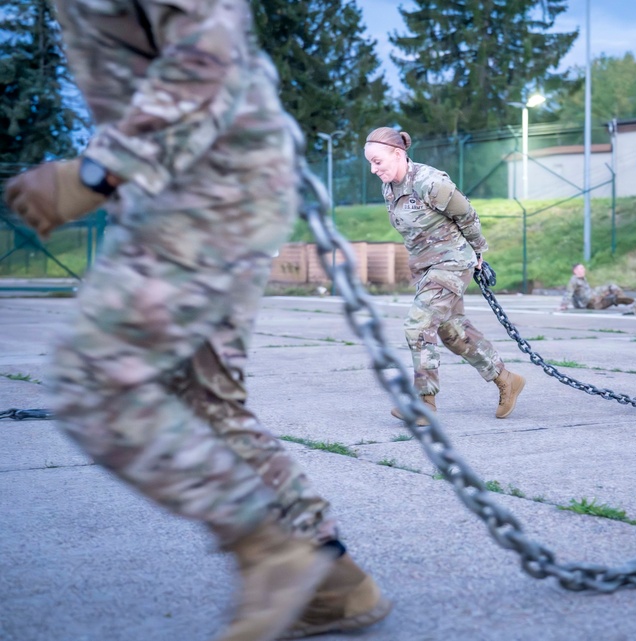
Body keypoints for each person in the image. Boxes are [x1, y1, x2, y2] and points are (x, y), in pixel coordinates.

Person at [3, 2, 390, 640]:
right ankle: (331, 580)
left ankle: (267, 547)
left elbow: (206, 49)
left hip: (211, 186)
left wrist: (96, 172)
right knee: (206, 400)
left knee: (93, 380)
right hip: (185, 183)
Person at [364, 127, 525, 424]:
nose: (374, 169)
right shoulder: (390, 187)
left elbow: (467, 214)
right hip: (426, 266)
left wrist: (478, 253)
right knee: (452, 333)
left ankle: (424, 403)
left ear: (398, 154)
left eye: (378, 162)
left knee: (417, 325)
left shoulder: (430, 182)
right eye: (371, 163)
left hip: (452, 261)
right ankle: (506, 379)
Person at [558, 263, 634, 311]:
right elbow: (569, 292)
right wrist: (563, 305)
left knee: (612, 299)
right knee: (611, 286)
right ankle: (622, 297)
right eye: (581, 268)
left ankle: (618, 299)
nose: (584, 270)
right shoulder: (574, 280)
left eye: (583, 268)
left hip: (592, 305)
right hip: (590, 299)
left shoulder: (583, 279)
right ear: (575, 271)